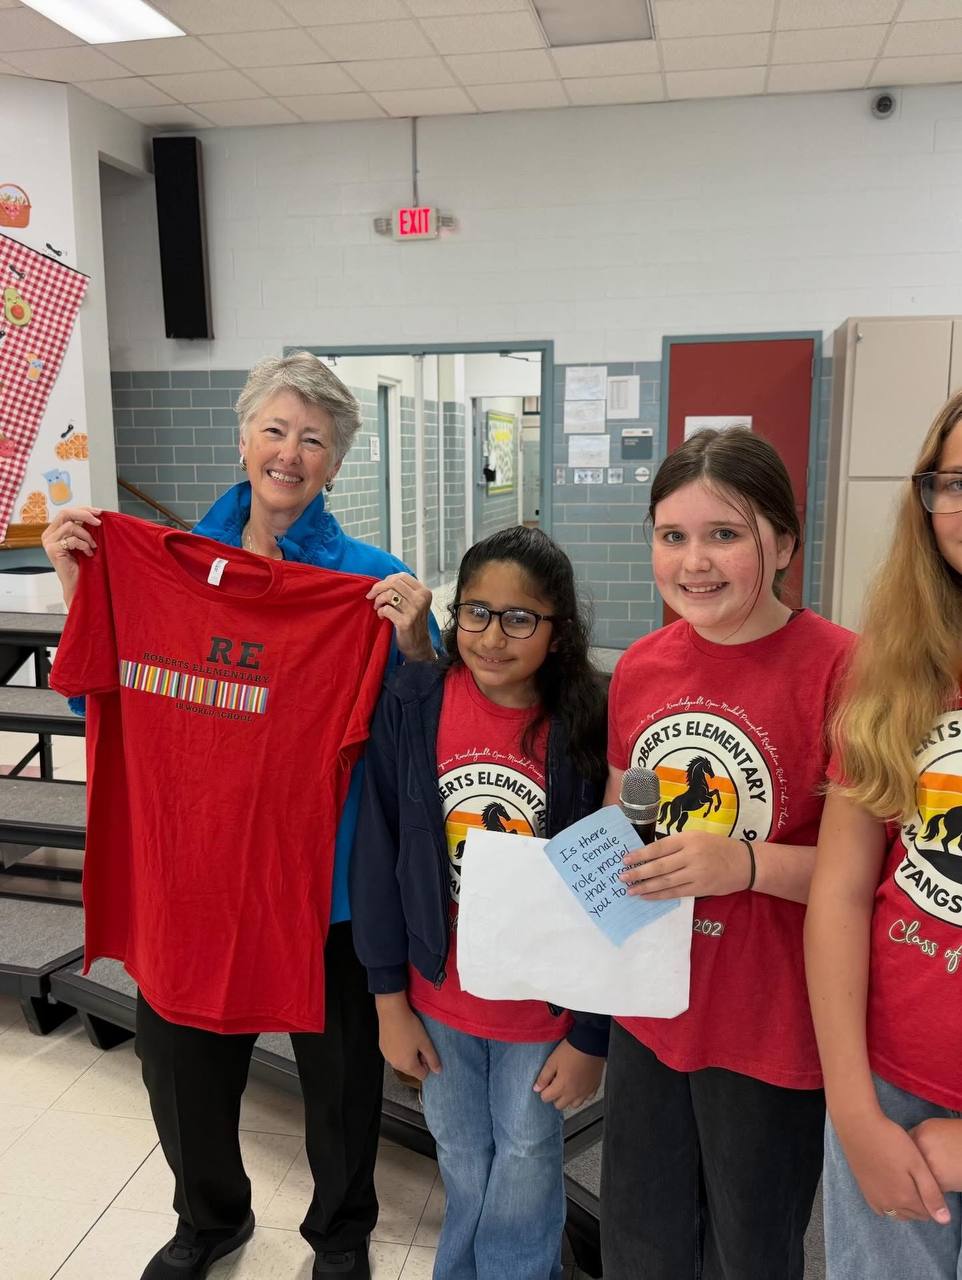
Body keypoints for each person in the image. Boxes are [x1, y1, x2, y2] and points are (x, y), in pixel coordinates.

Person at [41, 352, 438, 1280]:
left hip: (324, 883)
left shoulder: (368, 584)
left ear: (336, 463)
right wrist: (80, 588)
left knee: (341, 1081)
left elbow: (419, 739)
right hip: (191, 869)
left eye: (313, 439)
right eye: (275, 430)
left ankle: (340, 1238)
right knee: (180, 1070)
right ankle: (208, 1220)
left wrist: (416, 643)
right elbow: (103, 702)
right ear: (243, 438)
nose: (290, 453)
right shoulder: (163, 565)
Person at [600, 428, 853, 1280]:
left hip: (771, 1023)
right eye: (673, 536)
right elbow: (621, 814)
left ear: (782, 542)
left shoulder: (843, 670)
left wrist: (742, 864)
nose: (694, 562)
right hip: (649, 1007)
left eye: (725, 534)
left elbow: (878, 880)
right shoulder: (640, 667)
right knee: (640, 1238)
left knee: (751, 1246)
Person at [352, 525, 609, 1280]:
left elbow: (610, 889)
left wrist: (592, 1034)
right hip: (439, 995)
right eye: (476, 613)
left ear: (559, 633)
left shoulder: (588, 725)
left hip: (542, 1007)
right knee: (462, 1154)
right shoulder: (415, 702)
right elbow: (380, 852)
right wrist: (387, 1000)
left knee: (528, 1154)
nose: (493, 637)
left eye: (520, 619)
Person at [806, 389, 962, 1279]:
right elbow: (840, 889)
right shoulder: (898, 669)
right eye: (955, 482)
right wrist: (855, 1111)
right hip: (890, 1084)